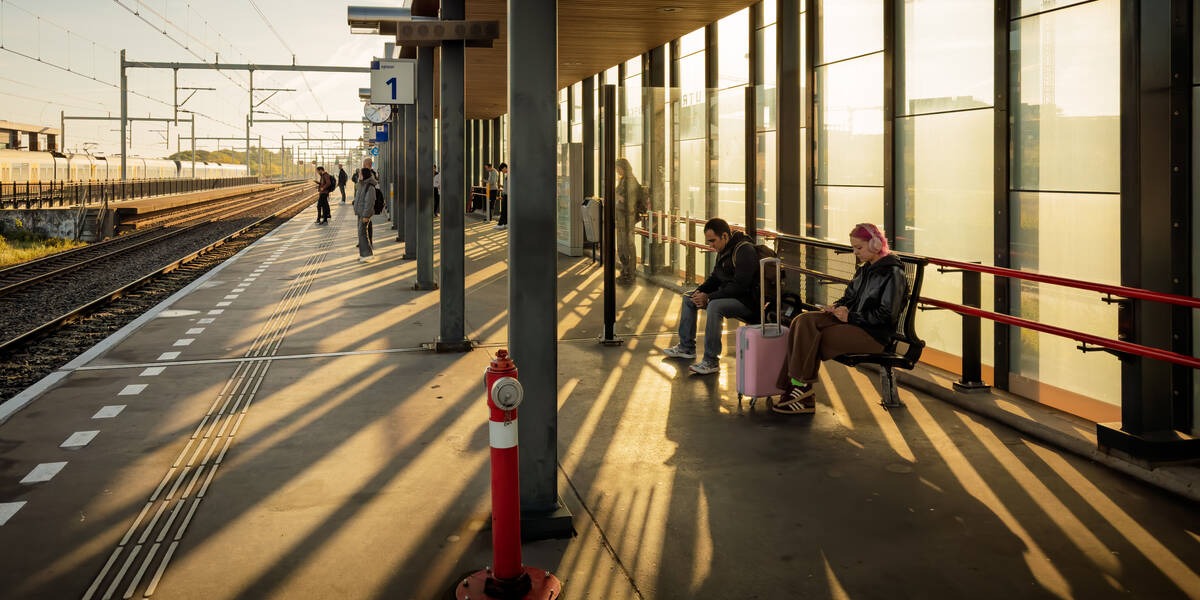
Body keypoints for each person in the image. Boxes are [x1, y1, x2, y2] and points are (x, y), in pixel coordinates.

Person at [772, 223, 906, 414]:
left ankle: (800, 390)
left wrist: (851, 316)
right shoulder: (864, 270)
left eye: (858, 247)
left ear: (875, 244)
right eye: (853, 247)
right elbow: (849, 297)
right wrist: (836, 307)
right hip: (853, 323)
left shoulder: (893, 273)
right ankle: (798, 386)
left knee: (813, 336)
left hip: (873, 335)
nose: (854, 252)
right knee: (802, 321)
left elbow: (886, 316)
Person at [662, 218, 759, 375]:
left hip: (747, 302)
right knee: (689, 297)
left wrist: (709, 297)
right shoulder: (724, 250)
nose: (710, 246)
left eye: (713, 241)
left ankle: (711, 361)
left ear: (725, 236)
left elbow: (740, 287)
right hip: (730, 296)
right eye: (708, 242)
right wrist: (699, 292)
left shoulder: (744, 250)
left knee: (714, 306)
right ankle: (686, 348)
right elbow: (715, 278)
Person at [613, 158, 641, 284]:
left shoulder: (630, 181)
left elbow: (630, 201)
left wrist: (619, 197)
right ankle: (624, 271)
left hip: (627, 218)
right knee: (621, 245)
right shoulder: (623, 180)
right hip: (621, 218)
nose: (617, 171)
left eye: (619, 168)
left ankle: (630, 273)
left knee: (628, 245)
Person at [353, 158, 379, 262]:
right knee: (361, 233)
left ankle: (367, 254)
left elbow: (369, 202)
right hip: (361, 212)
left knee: (363, 233)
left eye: (360, 174)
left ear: (364, 175)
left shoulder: (369, 187)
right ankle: (364, 253)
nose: (358, 175)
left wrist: (366, 215)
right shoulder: (362, 184)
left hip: (364, 213)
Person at [496, 162, 509, 230]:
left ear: (504, 168)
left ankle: (500, 224)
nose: (502, 172)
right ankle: (505, 224)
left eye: (502, 170)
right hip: (505, 194)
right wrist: (501, 186)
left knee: (504, 210)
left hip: (507, 195)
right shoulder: (507, 175)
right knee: (505, 210)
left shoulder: (510, 174)